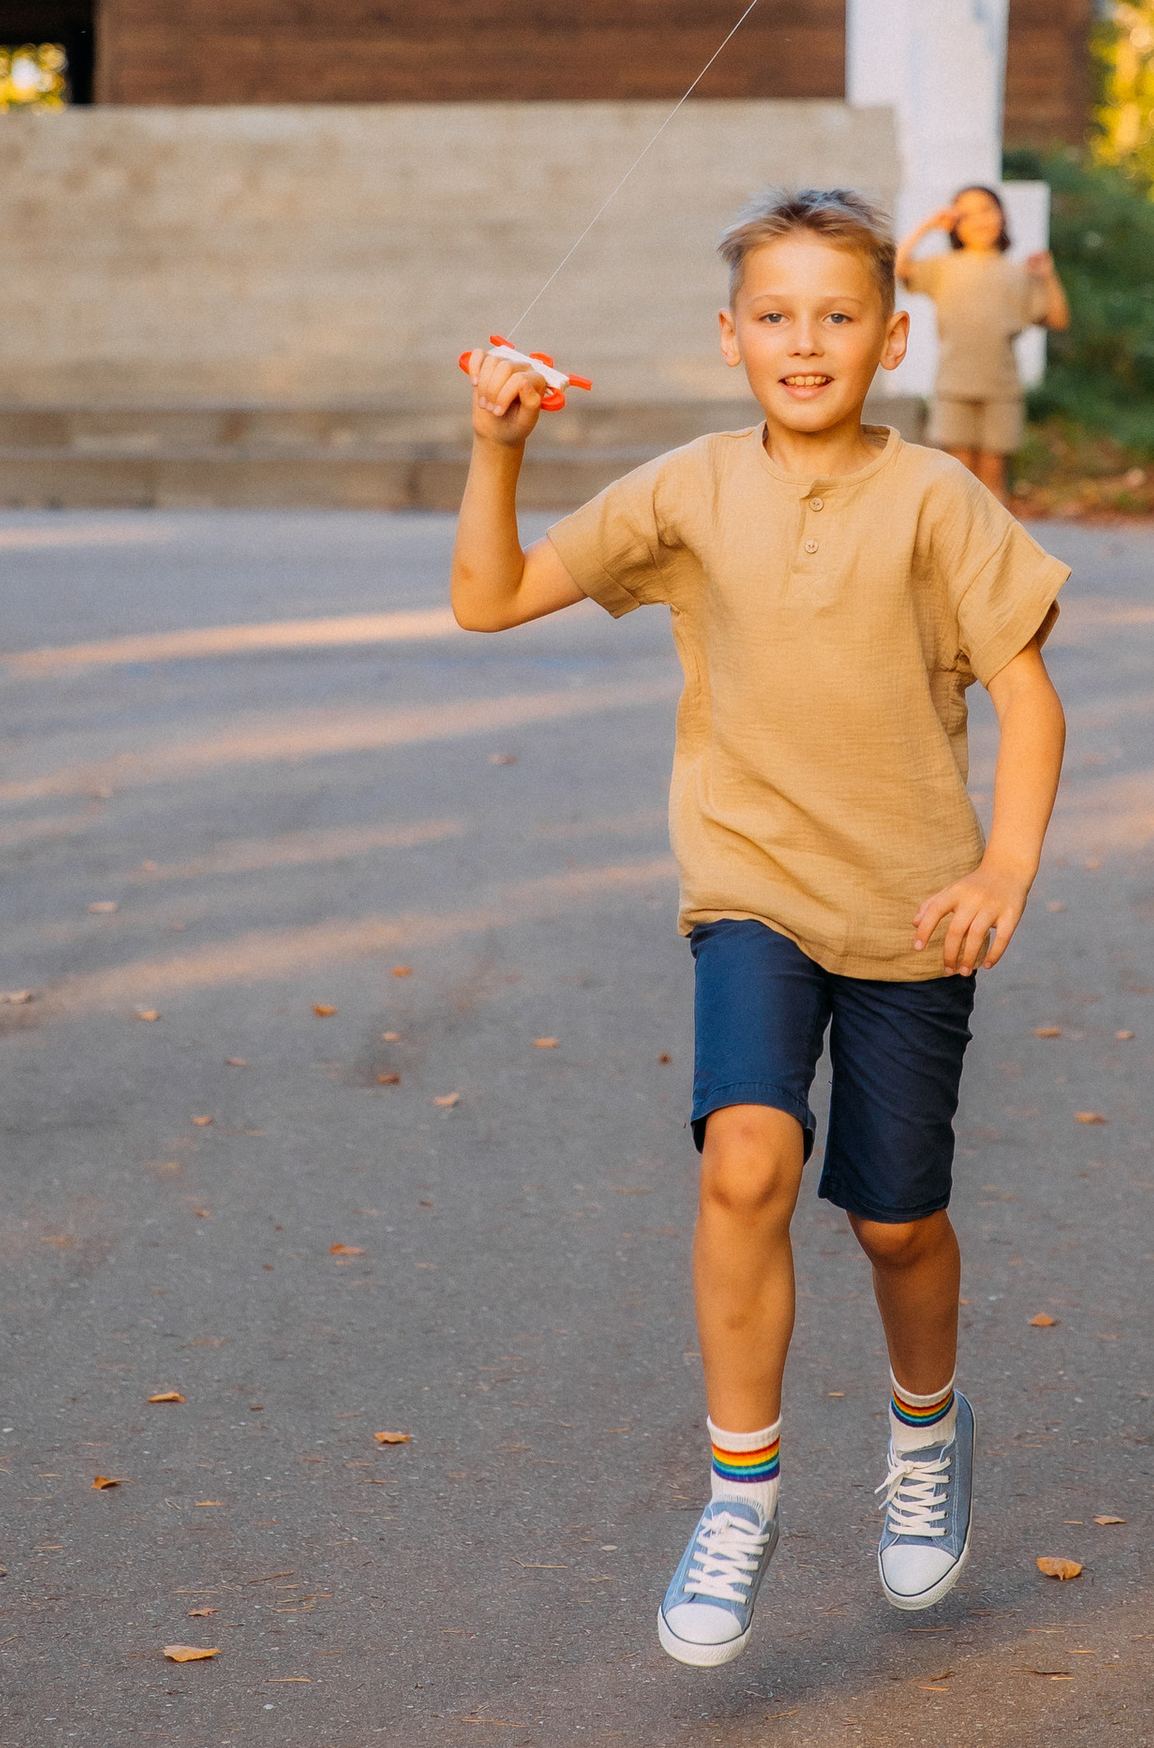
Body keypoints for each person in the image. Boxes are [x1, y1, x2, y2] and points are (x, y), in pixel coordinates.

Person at [452, 185, 1067, 1672]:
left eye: (839, 315)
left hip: (915, 911)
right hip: (753, 892)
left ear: (894, 334)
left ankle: (927, 1435)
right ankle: (741, 1495)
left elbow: (1033, 703)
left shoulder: (938, 502)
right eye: (777, 317)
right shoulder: (687, 493)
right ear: (730, 339)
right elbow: (491, 599)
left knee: (896, 1221)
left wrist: (1004, 871)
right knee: (748, 1159)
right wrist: (497, 449)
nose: (808, 342)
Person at [897, 184, 1071, 497]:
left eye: (986, 210)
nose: (978, 220)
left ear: (1002, 215)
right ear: (954, 224)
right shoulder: (942, 267)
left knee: (993, 475)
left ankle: (996, 545)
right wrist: (927, 226)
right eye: (966, 214)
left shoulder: (1018, 274)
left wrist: (1047, 276)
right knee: (956, 475)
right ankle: (958, 545)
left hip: (1001, 389)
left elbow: (1058, 319)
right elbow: (895, 268)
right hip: (953, 385)